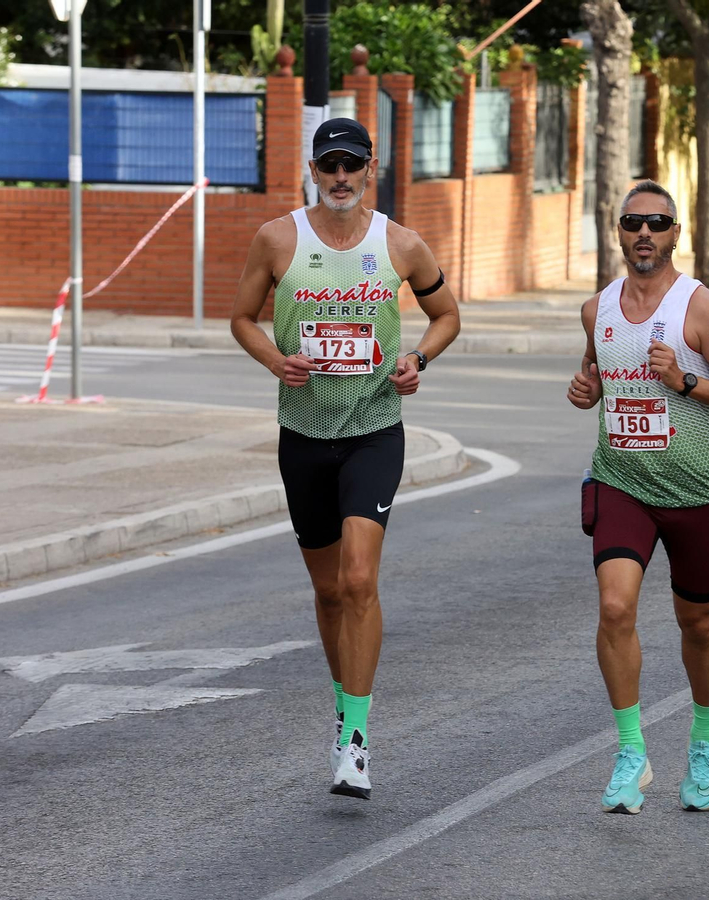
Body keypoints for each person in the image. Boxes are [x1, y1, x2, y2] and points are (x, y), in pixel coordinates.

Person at [229, 118, 462, 800]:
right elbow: (241, 318)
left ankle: (355, 739)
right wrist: (276, 360)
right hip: (303, 436)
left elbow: (447, 315)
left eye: (350, 165)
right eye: (329, 165)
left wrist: (418, 358)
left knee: (359, 579)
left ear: (369, 170)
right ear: (313, 170)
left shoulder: (400, 244)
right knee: (329, 589)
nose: (340, 177)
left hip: (374, 432)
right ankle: (343, 702)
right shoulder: (278, 239)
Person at [565, 180, 709, 814]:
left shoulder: (701, 310)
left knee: (698, 623)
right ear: (619, 233)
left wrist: (684, 381)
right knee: (614, 607)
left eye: (657, 222)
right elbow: (599, 374)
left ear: (676, 232)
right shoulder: (596, 310)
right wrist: (587, 391)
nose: (644, 233)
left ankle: (703, 740)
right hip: (621, 482)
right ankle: (631, 751)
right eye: (633, 223)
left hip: (695, 490)